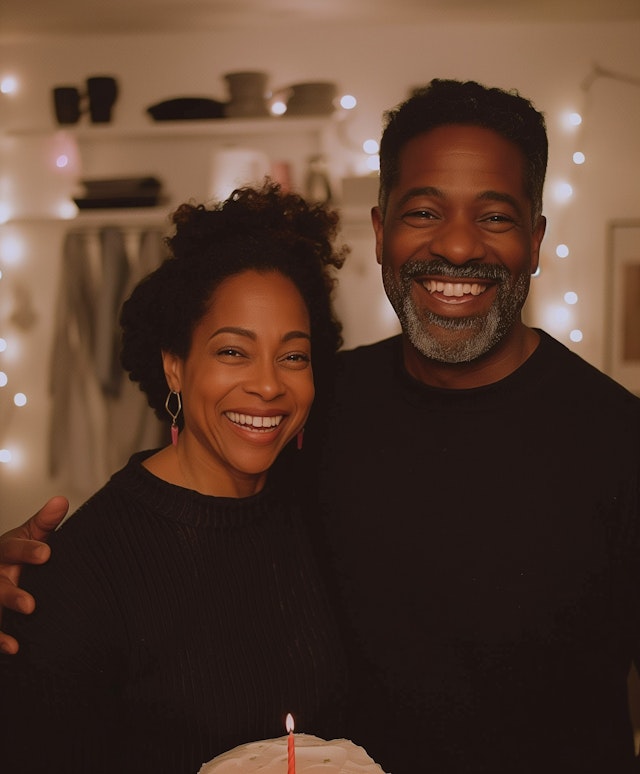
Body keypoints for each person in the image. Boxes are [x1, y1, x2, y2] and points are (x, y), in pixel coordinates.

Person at [2, 78, 640, 773]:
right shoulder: (320, 405)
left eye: (494, 216)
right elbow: (180, 532)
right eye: (424, 211)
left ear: (537, 237)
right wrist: (37, 591)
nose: (457, 247)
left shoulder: (619, 441)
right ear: (380, 230)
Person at [0, 182, 348, 774]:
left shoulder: (323, 511)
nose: (268, 385)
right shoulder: (83, 570)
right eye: (233, 352)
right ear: (175, 367)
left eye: (293, 356)